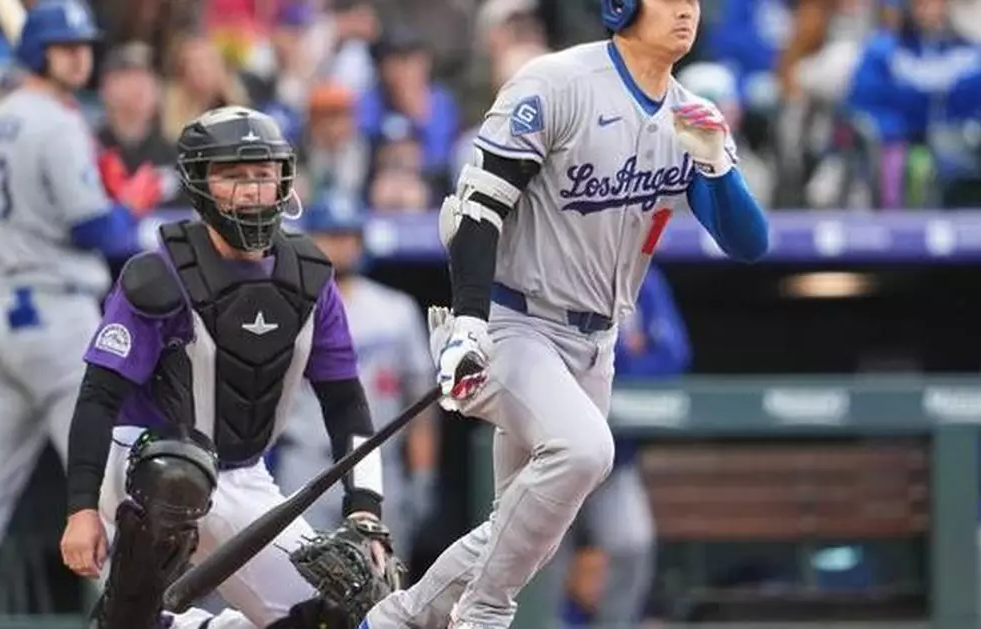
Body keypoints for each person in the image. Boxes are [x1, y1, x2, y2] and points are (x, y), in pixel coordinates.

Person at [360, 0, 770, 625]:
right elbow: (477, 209)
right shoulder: (557, 84)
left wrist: (716, 162)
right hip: (514, 320)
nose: (687, 9)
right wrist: (468, 321)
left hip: (595, 343)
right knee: (585, 452)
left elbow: (748, 244)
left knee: (526, 533)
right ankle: (484, 615)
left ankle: (394, 620)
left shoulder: (689, 117)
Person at [59, 105, 395, 629]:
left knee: (340, 611)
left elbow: (347, 403)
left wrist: (366, 507)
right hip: (150, 471)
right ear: (199, 184)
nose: (251, 191)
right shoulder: (158, 274)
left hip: (244, 472)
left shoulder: (310, 278)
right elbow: (98, 395)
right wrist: (80, 510)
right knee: (177, 470)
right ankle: (131, 613)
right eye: (232, 176)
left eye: (263, 175)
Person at [0, 3, 155, 628]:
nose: (80, 57)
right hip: (55, 316)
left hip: (5, 312)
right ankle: (131, 619)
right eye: (65, 47)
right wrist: (130, 206)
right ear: (37, 51)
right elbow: (95, 229)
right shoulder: (56, 122)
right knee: (105, 483)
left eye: (84, 46)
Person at [271, 196, 438, 564]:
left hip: (378, 463)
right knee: (297, 586)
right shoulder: (285, 308)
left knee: (382, 586)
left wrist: (423, 472)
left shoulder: (395, 309)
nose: (339, 244)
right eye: (329, 235)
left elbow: (419, 405)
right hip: (305, 463)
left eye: (346, 235)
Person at [560, 264, 691, 628]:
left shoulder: (644, 278)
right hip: (544, 449)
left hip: (614, 459)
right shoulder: (559, 266)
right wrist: (628, 353)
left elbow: (672, 357)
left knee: (632, 542)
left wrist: (619, 369)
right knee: (537, 552)